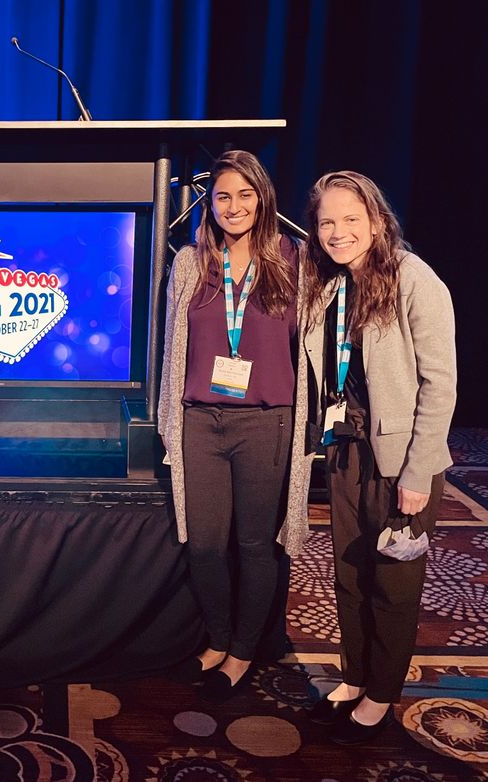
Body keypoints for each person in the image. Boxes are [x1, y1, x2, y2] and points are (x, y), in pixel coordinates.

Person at [302, 172, 456, 744]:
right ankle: (356, 675)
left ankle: (382, 694)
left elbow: (440, 386)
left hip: (403, 460)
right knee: (349, 571)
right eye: (326, 222)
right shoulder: (332, 284)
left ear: (377, 220)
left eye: (350, 219)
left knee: (393, 581)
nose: (338, 232)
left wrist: (418, 473)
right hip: (348, 451)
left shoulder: (416, 281)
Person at [159, 150, 312, 701]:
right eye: (223, 195)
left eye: (245, 194)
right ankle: (218, 640)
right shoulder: (190, 262)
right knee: (202, 545)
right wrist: (167, 419)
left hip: (266, 424)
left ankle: (245, 649)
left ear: (263, 199)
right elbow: (174, 350)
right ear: (211, 203)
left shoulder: (296, 261)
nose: (234, 206)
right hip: (200, 421)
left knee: (254, 545)